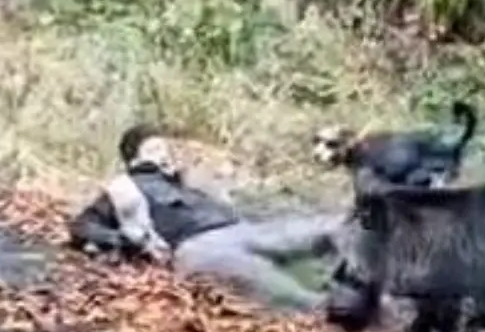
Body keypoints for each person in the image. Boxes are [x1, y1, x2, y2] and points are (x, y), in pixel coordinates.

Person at [68, 124, 343, 314]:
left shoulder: (184, 186)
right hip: (198, 247)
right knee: (291, 295)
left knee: (324, 229)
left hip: (240, 229)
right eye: (153, 149)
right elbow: (82, 226)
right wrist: (123, 240)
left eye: (164, 148)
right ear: (133, 159)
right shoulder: (125, 186)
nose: (163, 154)